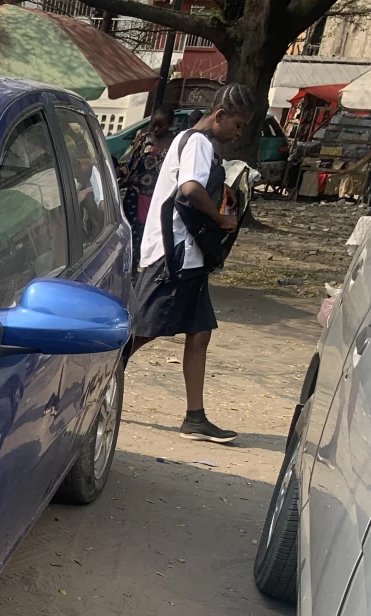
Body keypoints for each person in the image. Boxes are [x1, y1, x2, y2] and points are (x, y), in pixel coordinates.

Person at [127, 83, 254, 445]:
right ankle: (92, 385)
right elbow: (190, 189)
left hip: (186, 256)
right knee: (141, 331)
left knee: (200, 334)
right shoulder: (198, 142)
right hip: (174, 255)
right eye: (238, 125)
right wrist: (219, 218)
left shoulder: (187, 140)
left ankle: (195, 418)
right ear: (220, 115)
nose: (239, 133)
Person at [120, 106, 175, 268]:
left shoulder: (175, 142)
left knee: (152, 233)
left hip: (160, 197)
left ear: (170, 124)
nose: (156, 129)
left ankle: (145, 265)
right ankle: (130, 266)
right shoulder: (143, 139)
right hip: (136, 195)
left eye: (161, 126)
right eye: (154, 124)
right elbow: (127, 161)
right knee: (132, 232)